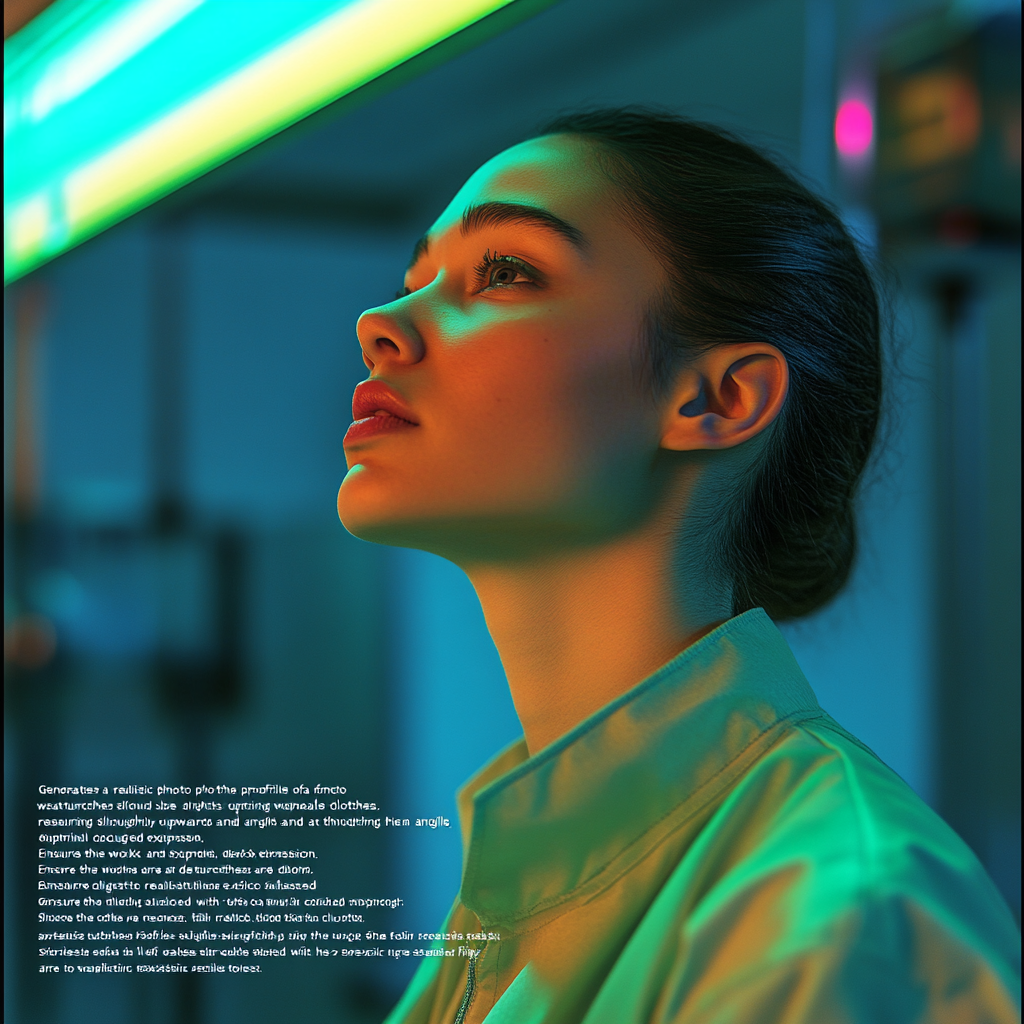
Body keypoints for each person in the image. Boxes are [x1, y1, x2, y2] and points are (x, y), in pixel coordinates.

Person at [337, 109, 1020, 1024]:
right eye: (414, 278)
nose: (379, 323)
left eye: (503, 272)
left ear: (719, 397)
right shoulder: (526, 885)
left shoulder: (839, 924)